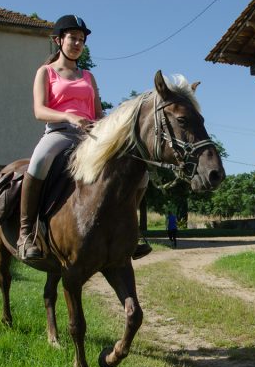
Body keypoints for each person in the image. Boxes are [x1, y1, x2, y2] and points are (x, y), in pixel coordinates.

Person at [17, 15, 153, 260]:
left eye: (81, 40)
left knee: (141, 172)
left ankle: (132, 232)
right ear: (59, 40)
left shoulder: (88, 76)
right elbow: (39, 110)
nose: (78, 44)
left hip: (90, 136)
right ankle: (26, 233)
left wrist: (111, 129)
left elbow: (99, 113)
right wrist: (68, 117)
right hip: (60, 133)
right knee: (38, 162)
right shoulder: (45, 72)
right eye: (73, 38)